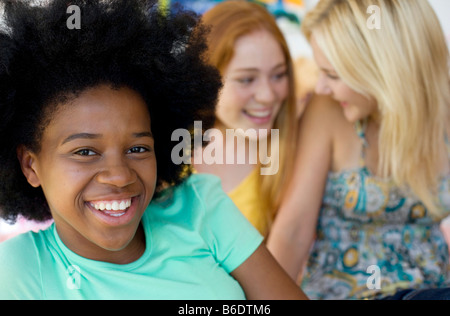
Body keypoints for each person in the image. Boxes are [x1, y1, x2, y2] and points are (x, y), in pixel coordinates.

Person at [0, 0, 308, 300]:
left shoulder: (197, 206)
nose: (120, 176)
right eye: (85, 152)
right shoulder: (23, 268)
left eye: (137, 148)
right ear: (30, 165)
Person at [267, 0, 450, 299]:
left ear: (382, 71)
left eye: (334, 75)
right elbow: (293, 232)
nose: (322, 87)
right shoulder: (326, 110)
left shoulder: (444, 110)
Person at [193, 0, 299, 237]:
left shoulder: (296, 154)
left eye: (279, 75)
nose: (267, 95)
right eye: (247, 79)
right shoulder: (166, 149)